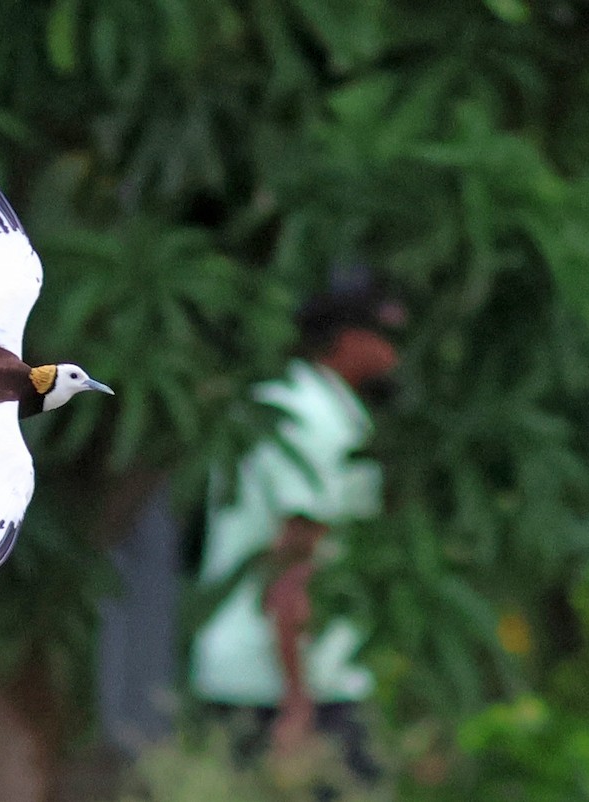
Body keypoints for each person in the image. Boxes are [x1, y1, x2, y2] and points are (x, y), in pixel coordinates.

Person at [190, 276, 402, 785]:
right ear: (350, 340)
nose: (400, 350)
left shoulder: (301, 405)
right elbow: (293, 561)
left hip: (284, 677)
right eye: (390, 334)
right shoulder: (308, 421)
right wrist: (297, 703)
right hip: (281, 686)